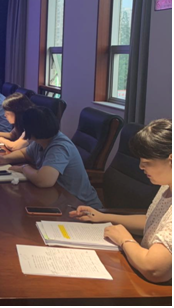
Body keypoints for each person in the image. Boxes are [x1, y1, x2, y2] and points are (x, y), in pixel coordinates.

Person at [69, 119, 172, 283]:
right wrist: (104, 217)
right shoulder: (166, 186)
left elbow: (154, 269)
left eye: (147, 163)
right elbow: (152, 222)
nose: (141, 167)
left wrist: (124, 239)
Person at [0, 106, 102, 208]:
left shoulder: (59, 147)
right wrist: (5, 159)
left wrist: (24, 168)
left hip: (81, 206)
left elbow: (44, 181)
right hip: (61, 199)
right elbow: (24, 154)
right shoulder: (42, 140)